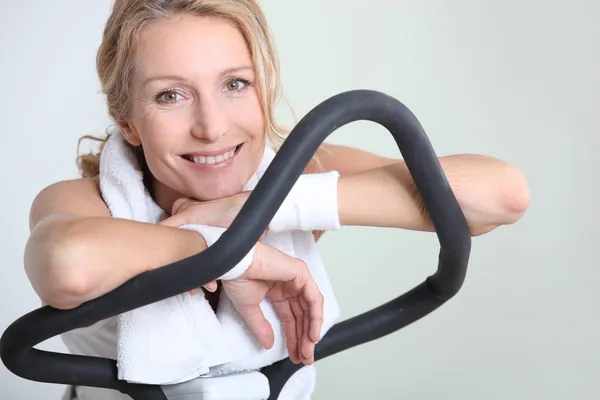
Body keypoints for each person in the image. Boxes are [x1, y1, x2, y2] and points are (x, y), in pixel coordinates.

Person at [23, 0, 530, 399]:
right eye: (170, 95)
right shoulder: (89, 204)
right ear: (127, 119)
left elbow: (500, 195)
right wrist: (232, 251)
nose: (212, 126)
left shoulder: (298, 168)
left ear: (262, 89)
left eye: (235, 84)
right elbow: (68, 267)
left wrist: (263, 205)